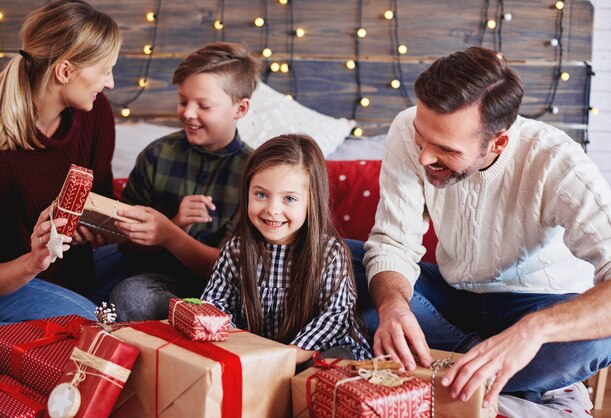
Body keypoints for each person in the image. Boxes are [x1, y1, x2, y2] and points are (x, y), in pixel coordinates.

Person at [349, 46, 611, 407]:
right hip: (450, 301)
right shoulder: (405, 128)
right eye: (422, 137)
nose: (424, 157)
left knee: (594, 342)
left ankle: (447, 366)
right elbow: (392, 244)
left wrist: (534, 331)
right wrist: (393, 307)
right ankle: (479, 367)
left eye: (445, 149)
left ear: (498, 142)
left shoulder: (557, 162)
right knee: (331, 257)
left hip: (535, 307)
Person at [107, 42, 260, 321]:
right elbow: (125, 246)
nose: (188, 113)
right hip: (161, 282)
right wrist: (175, 224)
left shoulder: (255, 173)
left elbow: (233, 270)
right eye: (183, 101)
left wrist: (171, 235)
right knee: (130, 295)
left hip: (227, 290)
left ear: (240, 109)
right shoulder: (157, 155)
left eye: (204, 105)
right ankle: (201, 323)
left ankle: (207, 323)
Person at [0, 0, 121, 321]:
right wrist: (34, 260)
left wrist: (91, 224)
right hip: (13, 282)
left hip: (72, 271)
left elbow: (103, 197)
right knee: (100, 326)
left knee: (156, 273)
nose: (110, 83)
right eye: (105, 71)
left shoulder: (96, 113)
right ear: (65, 71)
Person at [202, 134, 371, 364]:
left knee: (330, 364)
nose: (272, 209)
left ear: (312, 201)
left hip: (316, 352)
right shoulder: (236, 251)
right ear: (247, 193)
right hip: (258, 356)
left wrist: (285, 357)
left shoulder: (330, 253)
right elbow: (214, 306)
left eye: (289, 199)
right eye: (261, 195)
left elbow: (335, 318)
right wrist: (247, 352)